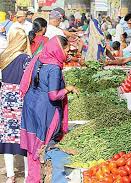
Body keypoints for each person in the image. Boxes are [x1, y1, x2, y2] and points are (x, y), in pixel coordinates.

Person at [20, 36, 79, 182]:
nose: (67, 53)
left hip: (30, 104)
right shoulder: (54, 68)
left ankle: (32, 178)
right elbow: (53, 95)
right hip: (44, 109)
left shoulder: (40, 58)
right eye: (66, 49)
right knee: (42, 146)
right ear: (59, 49)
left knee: (32, 145)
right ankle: (42, 177)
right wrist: (68, 89)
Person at [0, 28, 32, 183]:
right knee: (24, 136)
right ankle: (27, 176)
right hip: (21, 99)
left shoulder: (3, 57)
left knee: (7, 136)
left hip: (6, 99)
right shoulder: (26, 59)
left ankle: (10, 176)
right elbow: (30, 80)